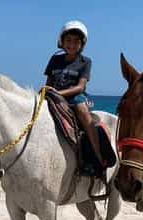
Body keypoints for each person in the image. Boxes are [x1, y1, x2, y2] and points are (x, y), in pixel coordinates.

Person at [44, 21, 104, 176]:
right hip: (53, 95)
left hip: (74, 97)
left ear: (82, 44)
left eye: (76, 41)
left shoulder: (85, 62)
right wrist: (46, 92)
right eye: (68, 40)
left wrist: (59, 93)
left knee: (83, 111)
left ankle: (97, 154)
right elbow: (49, 82)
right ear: (62, 42)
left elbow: (80, 87)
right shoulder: (54, 60)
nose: (72, 44)